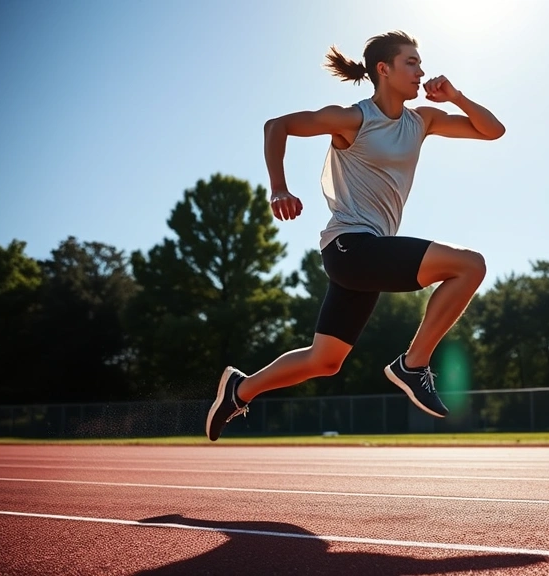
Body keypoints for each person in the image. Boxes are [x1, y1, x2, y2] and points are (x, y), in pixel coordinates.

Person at [206, 30, 505, 442]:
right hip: (351, 246)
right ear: (383, 70)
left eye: (420, 62)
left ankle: (239, 390)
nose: (420, 71)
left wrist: (455, 96)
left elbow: (493, 131)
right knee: (470, 265)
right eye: (411, 63)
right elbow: (277, 126)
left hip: (367, 254)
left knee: (324, 361)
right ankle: (413, 365)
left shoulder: (423, 120)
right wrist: (278, 187)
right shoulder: (354, 119)